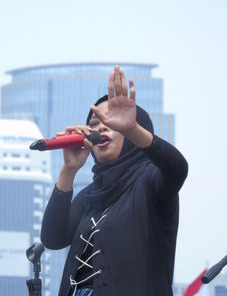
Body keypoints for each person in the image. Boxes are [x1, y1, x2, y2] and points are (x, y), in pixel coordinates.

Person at [40, 65, 188, 296]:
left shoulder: (150, 181)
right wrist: (68, 170)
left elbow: (178, 168)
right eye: (93, 125)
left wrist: (132, 130)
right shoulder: (90, 195)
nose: (100, 128)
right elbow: (53, 238)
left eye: (110, 122)